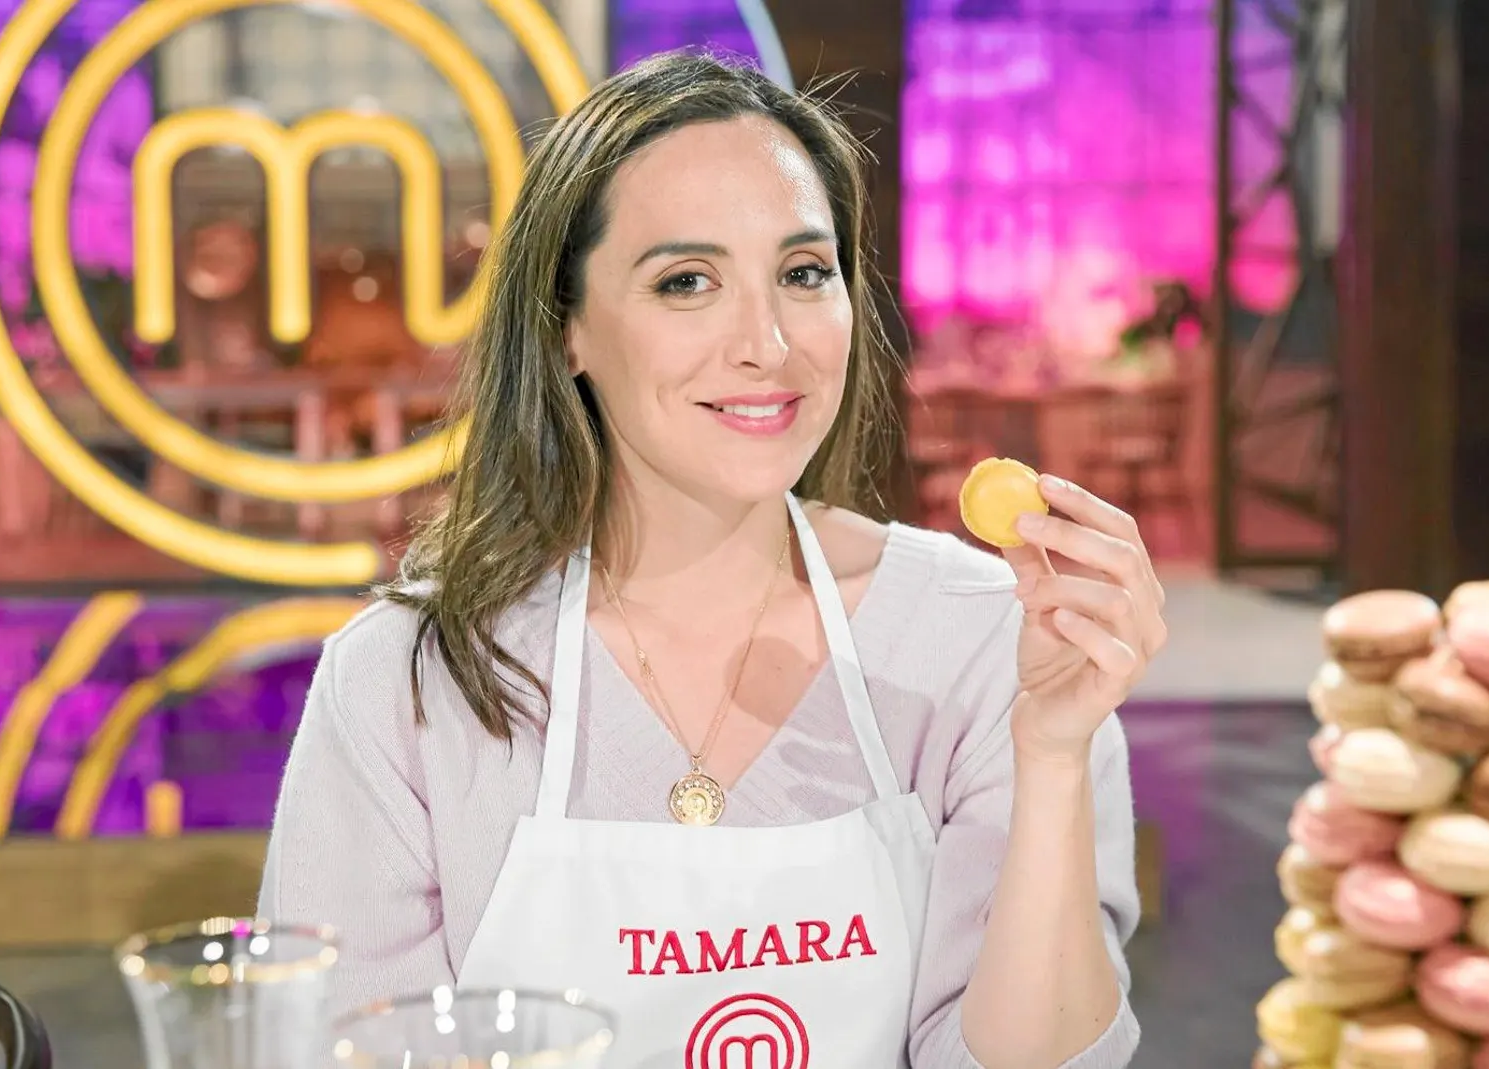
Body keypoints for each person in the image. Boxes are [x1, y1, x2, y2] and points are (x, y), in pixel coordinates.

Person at [259, 49, 1165, 1069]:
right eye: (685, 282)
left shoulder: (980, 633)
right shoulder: (410, 677)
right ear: (568, 332)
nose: (767, 344)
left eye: (802, 273)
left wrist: (1049, 754)